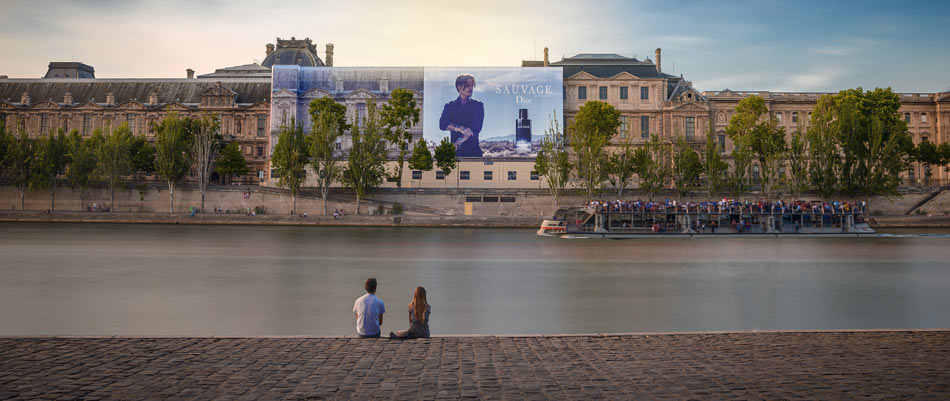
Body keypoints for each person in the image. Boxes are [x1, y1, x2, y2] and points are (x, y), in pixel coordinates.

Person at [439, 74, 484, 157]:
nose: (471, 88)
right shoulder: (450, 106)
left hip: (473, 153)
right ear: (459, 87)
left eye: (472, 86)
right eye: (468, 86)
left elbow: (475, 129)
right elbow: (442, 125)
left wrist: (457, 143)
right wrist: (458, 128)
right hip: (455, 154)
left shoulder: (478, 106)